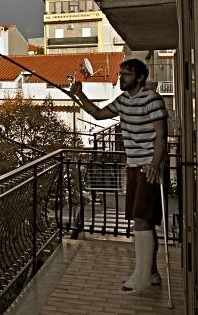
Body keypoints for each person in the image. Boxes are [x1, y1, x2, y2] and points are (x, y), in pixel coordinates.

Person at [71, 58, 168, 295]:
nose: (121, 78)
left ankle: (142, 277)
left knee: (141, 218)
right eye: (121, 73)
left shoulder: (152, 99)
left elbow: (162, 135)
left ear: (140, 78)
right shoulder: (124, 100)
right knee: (142, 220)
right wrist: (79, 94)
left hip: (148, 168)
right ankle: (151, 273)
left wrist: (156, 163)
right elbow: (97, 114)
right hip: (133, 167)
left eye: (126, 74)